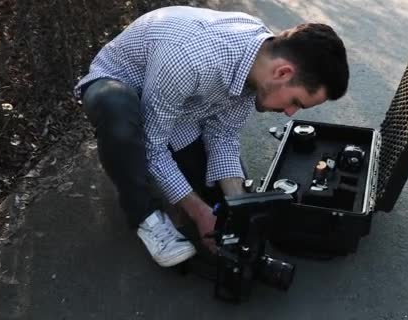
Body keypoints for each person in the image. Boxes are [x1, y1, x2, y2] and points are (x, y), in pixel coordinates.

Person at [74, 6, 349, 267]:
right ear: (283, 72)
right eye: (296, 102)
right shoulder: (190, 60)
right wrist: (198, 211)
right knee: (120, 115)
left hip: (181, 109)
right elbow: (153, 145)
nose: (289, 113)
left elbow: (223, 135)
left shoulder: (260, 62)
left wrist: (238, 204)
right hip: (119, 83)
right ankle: (144, 215)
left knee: (221, 200)